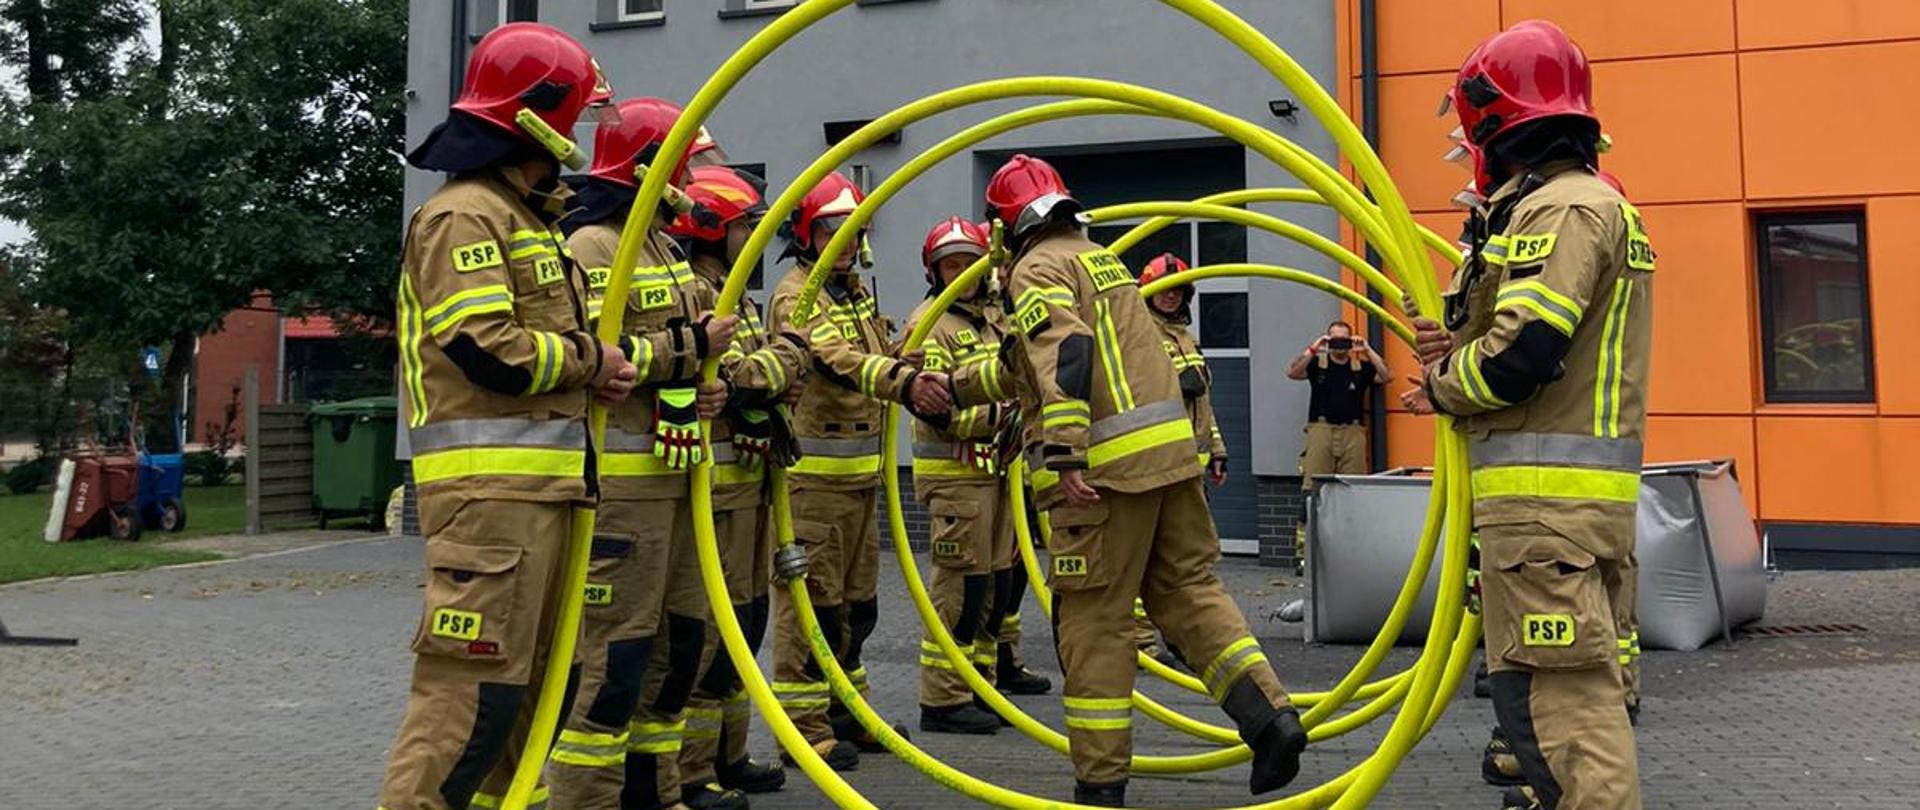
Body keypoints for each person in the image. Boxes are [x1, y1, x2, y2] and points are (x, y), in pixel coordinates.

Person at [949, 154, 1306, 807]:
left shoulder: (1035, 269)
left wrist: (1066, 451)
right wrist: (948, 387)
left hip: (1105, 476)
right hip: (1171, 461)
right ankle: (1271, 718)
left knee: (1094, 622)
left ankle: (1100, 783)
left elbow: (1069, 351)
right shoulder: (1097, 257)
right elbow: (1033, 364)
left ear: (1006, 225)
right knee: (1189, 593)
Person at [382, 23, 637, 810]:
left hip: (540, 498)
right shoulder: (465, 216)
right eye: (572, 118)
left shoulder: (524, 219)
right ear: (536, 118)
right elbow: (487, 349)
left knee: (533, 703)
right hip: (491, 505)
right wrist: (594, 361)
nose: (576, 138)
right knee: (468, 709)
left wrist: (590, 371)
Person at [1402, 19, 1650, 810]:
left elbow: (1526, 352)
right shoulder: (1574, 206)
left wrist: (1442, 384)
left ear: (1493, 120)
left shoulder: (1562, 211)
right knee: (1536, 708)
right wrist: (1459, 338)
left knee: (1568, 717)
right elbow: (1526, 336)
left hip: (1545, 514)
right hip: (1555, 513)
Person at [546, 97, 740, 810]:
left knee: (679, 645)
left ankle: (654, 791)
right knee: (615, 656)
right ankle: (586, 799)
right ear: (648, 170)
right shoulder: (594, 246)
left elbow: (679, 358)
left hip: (678, 478)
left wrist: (705, 389)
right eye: (682, 168)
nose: (691, 182)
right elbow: (602, 358)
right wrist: (693, 350)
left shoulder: (663, 246)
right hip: (625, 494)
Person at [766, 172, 953, 771]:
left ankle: (849, 712)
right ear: (807, 233)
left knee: (858, 608)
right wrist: (902, 381)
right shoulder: (797, 295)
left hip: (859, 484)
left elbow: (865, 357)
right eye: (832, 230)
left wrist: (899, 358)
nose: (845, 242)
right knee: (809, 610)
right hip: (813, 487)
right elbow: (838, 361)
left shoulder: (854, 294)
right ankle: (802, 727)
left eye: (853, 232)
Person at [668, 164, 808, 807]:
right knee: (711, 632)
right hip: (713, 496)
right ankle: (692, 771)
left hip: (749, 489)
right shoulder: (696, 295)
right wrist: (780, 363)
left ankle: (729, 754)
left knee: (746, 625)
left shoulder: (733, 295)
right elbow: (747, 373)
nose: (752, 236)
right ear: (711, 229)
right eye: (745, 225)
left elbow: (766, 369)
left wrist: (776, 365)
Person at [902, 216, 1051, 736]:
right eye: (952, 265)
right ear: (935, 272)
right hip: (955, 479)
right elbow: (937, 409)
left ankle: (978, 685)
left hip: (993, 474)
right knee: (958, 592)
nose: (962, 273)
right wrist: (1003, 418)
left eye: (971, 262)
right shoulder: (930, 324)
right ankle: (941, 700)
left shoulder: (992, 321)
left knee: (992, 589)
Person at [1132, 252, 1232, 667]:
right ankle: (1138, 641)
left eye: (1178, 291)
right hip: (1157, 462)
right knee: (1148, 551)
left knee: (1187, 555)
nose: (1171, 297)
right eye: (1164, 290)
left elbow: (1202, 402)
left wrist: (1218, 450)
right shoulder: (1138, 334)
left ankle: (1180, 632)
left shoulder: (1184, 337)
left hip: (1191, 462)